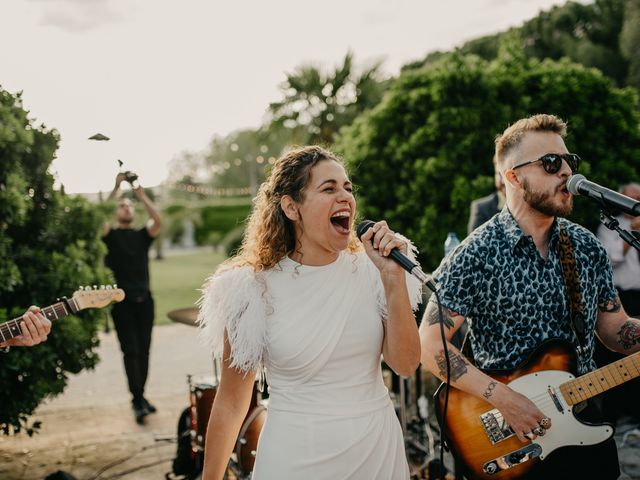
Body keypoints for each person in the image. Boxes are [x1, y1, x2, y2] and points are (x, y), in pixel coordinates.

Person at [419, 114, 639, 479]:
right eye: (551, 163)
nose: (566, 172)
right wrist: (504, 399)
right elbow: (431, 343)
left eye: (570, 161)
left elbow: (615, 329)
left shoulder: (585, 245)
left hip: (584, 422)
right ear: (513, 177)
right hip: (512, 437)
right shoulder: (477, 252)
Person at [198, 146, 422, 479]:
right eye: (329, 188)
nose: (345, 196)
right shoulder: (250, 289)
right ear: (291, 207)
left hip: (375, 451)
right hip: (294, 454)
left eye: (347, 187)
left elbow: (405, 364)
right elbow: (231, 401)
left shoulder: (375, 270)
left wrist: (393, 280)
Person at [102, 172, 162, 424]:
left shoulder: (141, 235)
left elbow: (158, 220)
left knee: (145, 351)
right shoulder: (110, 235)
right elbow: (100, 217)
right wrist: (116, 187)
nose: (126, 208)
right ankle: (136, 400)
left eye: (129, 206)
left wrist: (140, 194)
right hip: (121, 303)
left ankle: (141, 396)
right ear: (117, 213)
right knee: (131, 352)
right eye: (122, 206)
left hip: (145, 301)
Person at [595, 182, 640, 423]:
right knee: (618, 359)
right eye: (631, 197)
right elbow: (611, 259)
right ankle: (616, 413)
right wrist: (632, 233)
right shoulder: (610, 225)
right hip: (621, 296)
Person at [467, 155, 505, 234]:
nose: (504, 181)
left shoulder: (531, 204)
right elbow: (474, 244)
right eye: (499, 174)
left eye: (506, 173)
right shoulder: (481, 208)